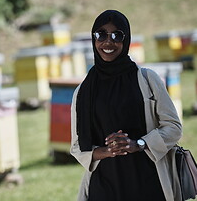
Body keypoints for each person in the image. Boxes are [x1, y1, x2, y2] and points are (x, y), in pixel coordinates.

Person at [70, 10, 182, 201]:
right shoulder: (83, 91)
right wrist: (108, 151)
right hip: (104, 186)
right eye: (101, 35)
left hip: (148, 183)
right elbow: (77, 146)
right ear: (93, 38)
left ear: (126, 39)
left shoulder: (147, 79)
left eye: (117, 35)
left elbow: (173, 128)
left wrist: (138, 144)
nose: (108, 42)